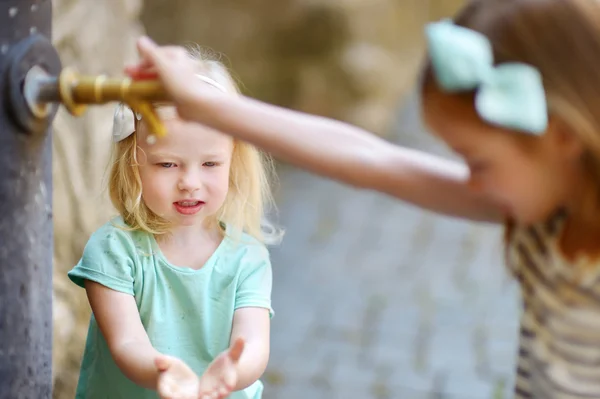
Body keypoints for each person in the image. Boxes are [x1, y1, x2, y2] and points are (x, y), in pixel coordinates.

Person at [124, 0, 600, 397]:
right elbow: (371, 160)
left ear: (560, 136)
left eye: (478, 162)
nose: (469, 182)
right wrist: (210, 107)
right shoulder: (536, 209)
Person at [68, 47, 281, 399]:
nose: (190, 183)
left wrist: (234, 370)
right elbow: (126, 341)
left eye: (210, 164)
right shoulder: (113, 250)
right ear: (133, 163)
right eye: (168, 165)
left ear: (234, 161)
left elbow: (255, 342)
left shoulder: (248, 257)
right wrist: (161, 372)